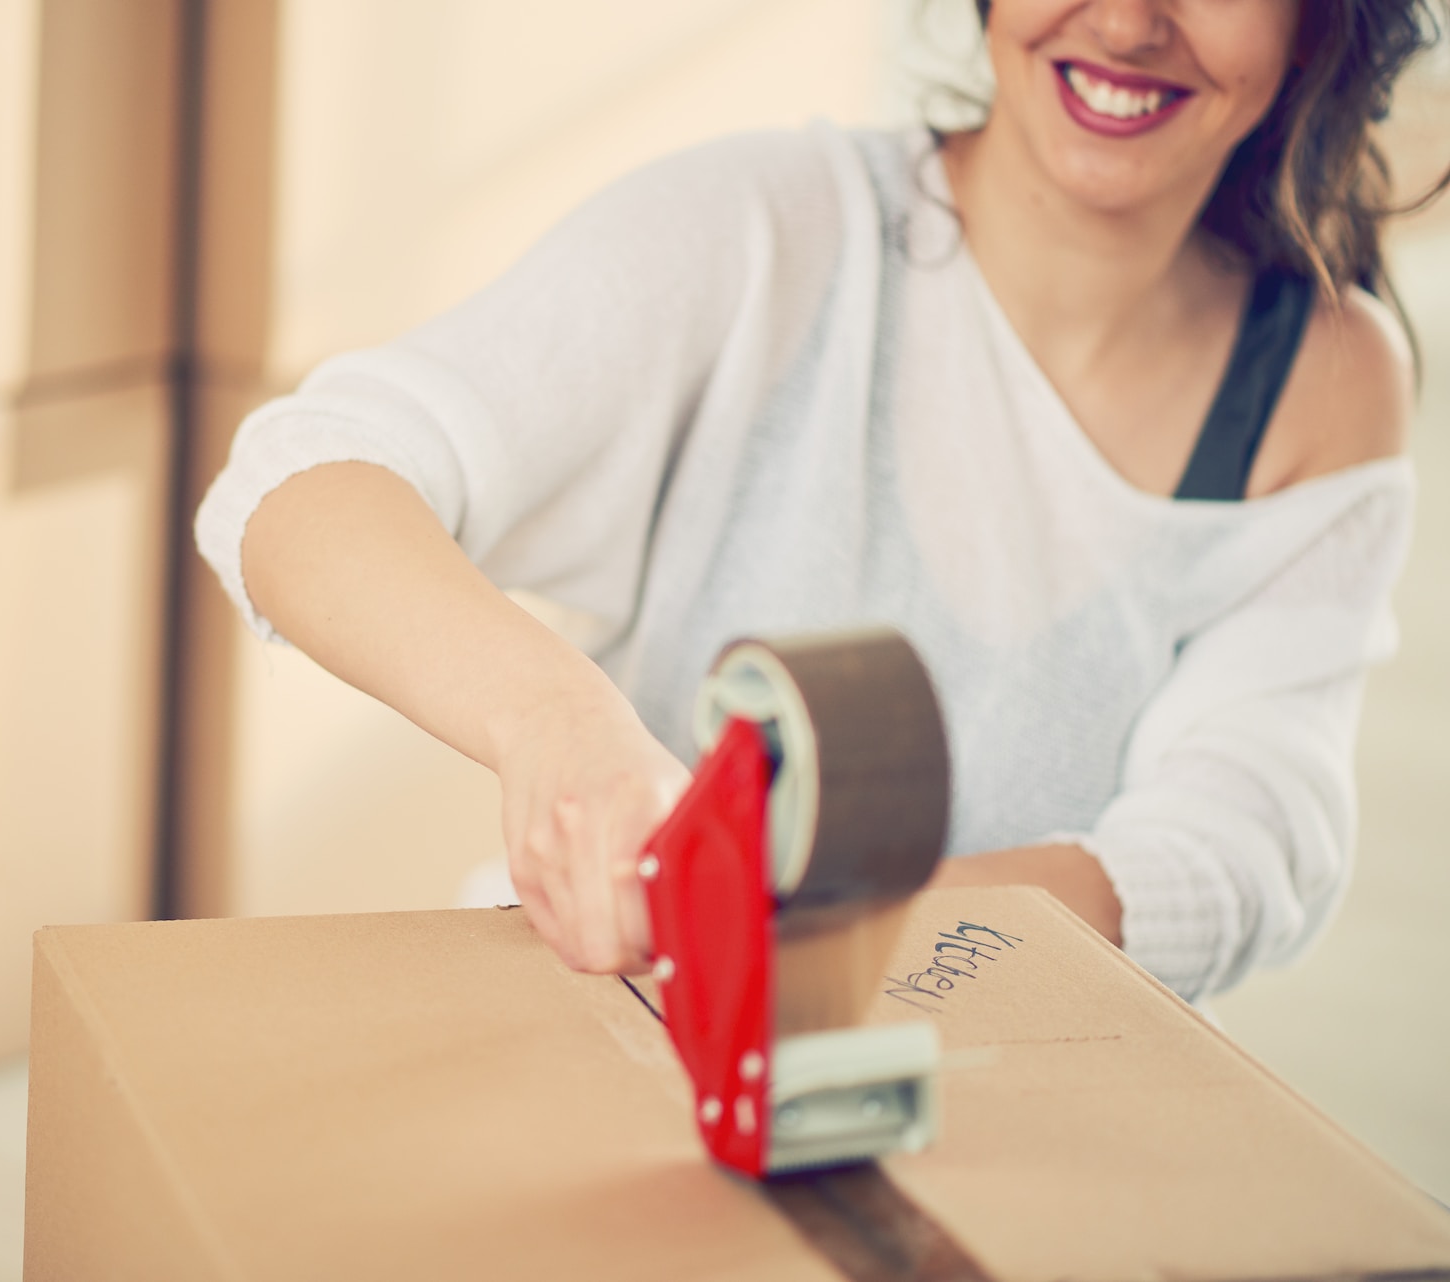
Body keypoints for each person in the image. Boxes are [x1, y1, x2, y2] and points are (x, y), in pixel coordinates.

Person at [196, 0, 1448, 1002]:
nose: (1125, 22)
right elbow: (301, 475)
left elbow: (1244, 840)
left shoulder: (1321, 378)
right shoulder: (771, 230)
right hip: (612, 1019)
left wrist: (811, 954)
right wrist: (556, 722)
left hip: (1031, 1076)